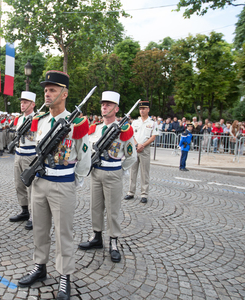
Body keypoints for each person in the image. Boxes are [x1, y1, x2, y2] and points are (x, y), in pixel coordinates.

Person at [18, 71, 91, 300]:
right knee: (39, 229)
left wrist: (72, 180)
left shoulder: (76, 123)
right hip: (40, 182)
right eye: (46, 90)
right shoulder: (40, 122)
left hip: (62, 183)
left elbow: (85, 157)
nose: (47, 94)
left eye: (52, 90)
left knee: (63, 233)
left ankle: (65, 275)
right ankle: (40, 266)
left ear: (65, 94)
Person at [78, 91, 136, 263]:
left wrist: (119, 169)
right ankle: (97, 237)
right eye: (103, 104)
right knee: (95, 207)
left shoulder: (124, 130)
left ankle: (113, 242)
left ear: (116, 108)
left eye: (109, 104)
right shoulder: (94, 129)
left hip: (113, 174)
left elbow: (132, 156)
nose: (104, 107)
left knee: (113, 210)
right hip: (96, 173)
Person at [9, 91, 37, 230]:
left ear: (33, 104)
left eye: (25, 102)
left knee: (31, 187)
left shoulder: (37, 119)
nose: (22, 104)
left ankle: (33, 215)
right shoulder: (19, 119)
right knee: (19, 184)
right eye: (21, 102)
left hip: (30, 155)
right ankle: (24, 210)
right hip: (18, 153)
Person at [124, 101, 158, 204]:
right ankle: (131, 192)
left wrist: (143, 145)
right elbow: (131, 135)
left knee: (144, 172)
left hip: (145, 149)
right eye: (140, 109)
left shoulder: (152, 123)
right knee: (133, 172)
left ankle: (144, 194)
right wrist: (136, 144)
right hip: (135, 148)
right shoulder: (135, 122)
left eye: (144, 108)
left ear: (148, 110)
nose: (142, 110)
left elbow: (153, 136)